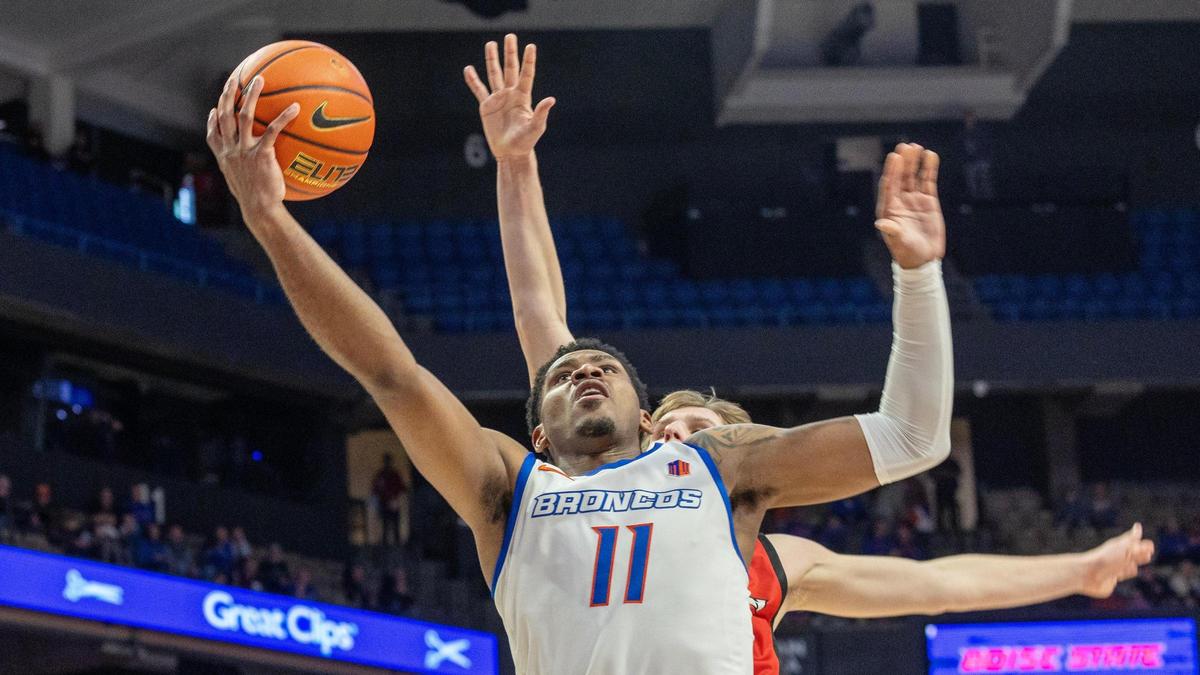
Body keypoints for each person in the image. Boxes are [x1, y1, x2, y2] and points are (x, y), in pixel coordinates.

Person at [209, 34, 949, 674]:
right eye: (563, 374)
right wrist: (269, 220)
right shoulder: (513, 491)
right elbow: (392, 372)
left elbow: (913, 437)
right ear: (540, 434)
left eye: (604, 367)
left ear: (649, 413)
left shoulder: (717, 466)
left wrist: (918, 275)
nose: (585, 369)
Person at [650, 390, 1155, 675]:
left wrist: (1081, 571)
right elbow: (565, 343)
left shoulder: (778, 564)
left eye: (700, 426)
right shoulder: (582, 531)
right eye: (662, 427)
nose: (675, 433)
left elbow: (937, 586)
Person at [371, 453, 407, 547]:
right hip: (384, 503)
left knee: (395, 525)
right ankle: (385, 546)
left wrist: (395, 498)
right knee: (385, 525)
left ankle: (397, 545)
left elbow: (401, 488)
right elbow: (375, 489)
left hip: (394, 503)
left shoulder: (395, 475)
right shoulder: (381, 475)